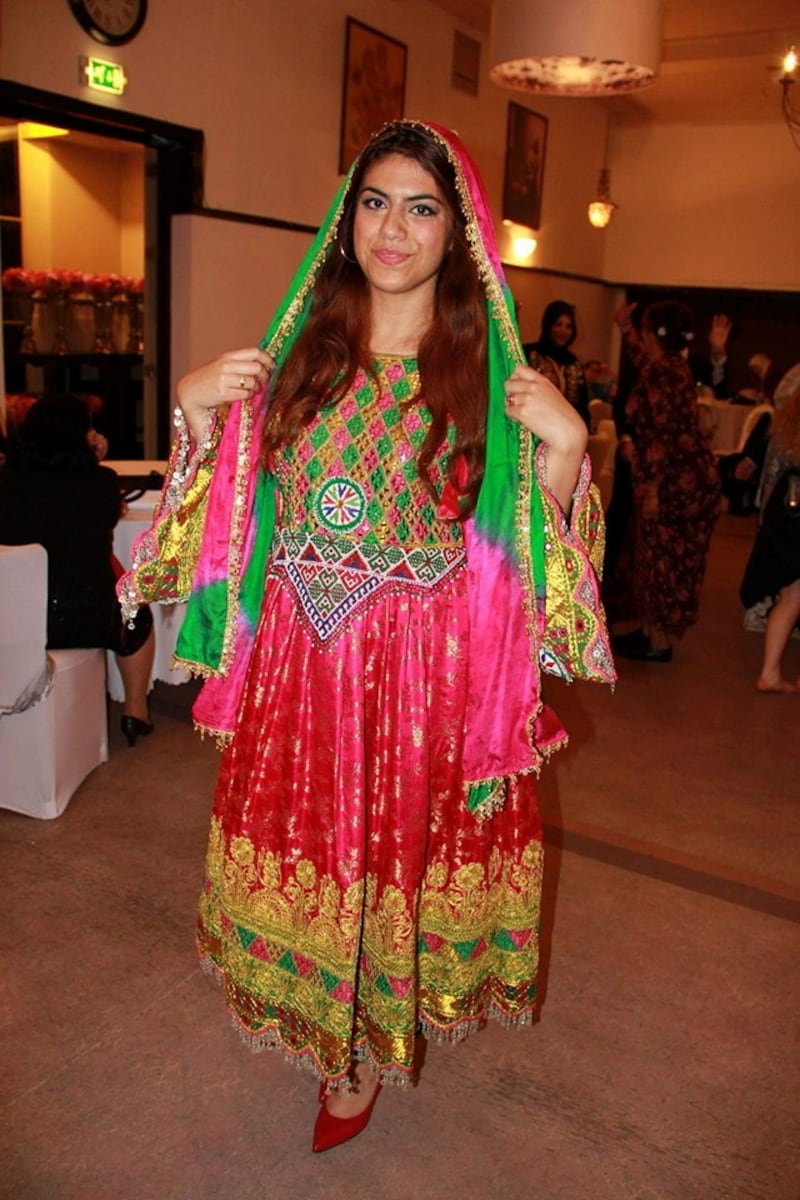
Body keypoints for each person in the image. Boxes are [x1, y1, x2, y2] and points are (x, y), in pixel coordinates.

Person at [118, 120, 614, 1153]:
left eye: (421, 207)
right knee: (313, 855)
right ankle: (326, 1029)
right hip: (298, 669)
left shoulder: (488, 374)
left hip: (421, 678)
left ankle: (361, 1047)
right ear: (347, 221)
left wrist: (564, 451)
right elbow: (228, 522)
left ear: (458, 230)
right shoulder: (299, 350)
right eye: (376, 201)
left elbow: (523, 561)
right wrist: (194, 410)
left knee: (394, 862)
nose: (394, 227)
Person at [0, 394, 155, 744]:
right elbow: (103, 519)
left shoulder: (4, 481)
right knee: (137, 617)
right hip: (82, 620)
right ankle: (135, 711)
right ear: (81, 435)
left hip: (14, 619)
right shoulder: (99, 482)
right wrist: (96, 462)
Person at [608, 300, 721, 662]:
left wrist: (653, 489)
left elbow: (662, 434)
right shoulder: (668, 365)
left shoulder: (665, 372)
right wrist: (625, 329)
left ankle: (658, 643)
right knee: (652, 556)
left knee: (664, 559)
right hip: (683, 479)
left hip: (676, 485)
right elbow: (644, 364)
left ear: (652, 332)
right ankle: (649, 632)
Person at [740, 382, 800, 692]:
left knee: (791, 597)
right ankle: (772, 674)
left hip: (786, 517)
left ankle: (770, 672)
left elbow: (770, 478)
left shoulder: (785, 427)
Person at [523, 300, 590, 427]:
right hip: (533, 429)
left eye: (568, 327)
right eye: (558, 324)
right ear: (548, 325)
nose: (563, 331)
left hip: (566, 433)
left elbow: (582, 407)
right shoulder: (530, 354)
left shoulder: (573, 363)